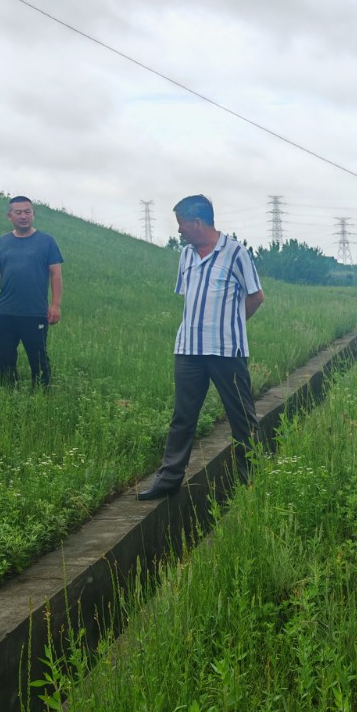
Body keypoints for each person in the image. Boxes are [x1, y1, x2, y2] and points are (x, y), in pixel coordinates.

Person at [138, 194, 265, 499]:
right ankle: (168, 480)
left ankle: (251, 479)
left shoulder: (236, 253)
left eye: (181, 224)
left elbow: (256, 296)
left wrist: (230, 324)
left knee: (242, 418)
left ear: (197, 222)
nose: (179, 231)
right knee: (183, 417)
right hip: (188, 349)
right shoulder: (186, 256)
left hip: (226, 351)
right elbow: (189, 297)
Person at [0, 196, 63, 387]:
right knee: (3, 358)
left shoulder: (47, 242)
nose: (23, 216)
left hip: (35, 312)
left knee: (38, 359)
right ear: (9, 216)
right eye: (18, 212)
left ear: (33, 214)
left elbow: (56, 274)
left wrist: (55, 305)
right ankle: (9, 395)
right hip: (5, 312)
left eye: (27, 212)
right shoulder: (0, 243)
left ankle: (43, 396)